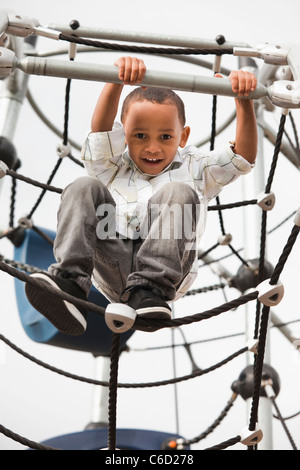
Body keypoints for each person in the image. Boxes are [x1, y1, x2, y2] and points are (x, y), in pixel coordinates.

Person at [25, 56, 258, 335]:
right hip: (112, 260)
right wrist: (115, 82)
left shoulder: (194, 166)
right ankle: (69, 282)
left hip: (165, 270)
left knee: (178, 191)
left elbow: (241, 158)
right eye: (139, 136)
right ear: (124, 135)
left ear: (182, 137)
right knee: (82, 186)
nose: (152, 148)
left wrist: (244, 102)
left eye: (165, 138)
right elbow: (100, 133)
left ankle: (149, 291)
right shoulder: (112, 166)